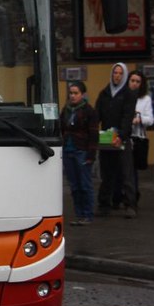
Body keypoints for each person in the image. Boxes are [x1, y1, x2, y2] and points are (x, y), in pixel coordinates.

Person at [95, 63, 138, 218]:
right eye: (115, 72)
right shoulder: (104, 93)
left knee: (126, 174)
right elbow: (97, 114)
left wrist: (121, 136)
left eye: (120, 73)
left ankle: (130, 205)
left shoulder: (128, 94)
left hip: (122, 139)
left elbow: (127, 117)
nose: (117, 75)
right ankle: (104, 204)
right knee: (107, 174)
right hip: (106, 139)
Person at [61, 81, 99, 225]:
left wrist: (91, 155)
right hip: (68, 150)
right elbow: (62, 127)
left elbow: (94, 134)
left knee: (85, 184)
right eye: (71, 93)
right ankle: (79, 214)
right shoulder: (66, 109)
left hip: (82, 150)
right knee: (74, 185)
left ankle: (87, 214)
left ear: (83, 95)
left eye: (76, 93)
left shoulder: (89, 111)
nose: (72, 96)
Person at [128, 70, 154, 203]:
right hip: (123, 136)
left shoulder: (145, 99)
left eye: (137, 81)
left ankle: (133, 197)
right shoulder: (123, 96)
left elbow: (150, 120)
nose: (134, 84)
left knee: (133, 170)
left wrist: (139, 119)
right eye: (132, 80)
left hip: (137, 137)